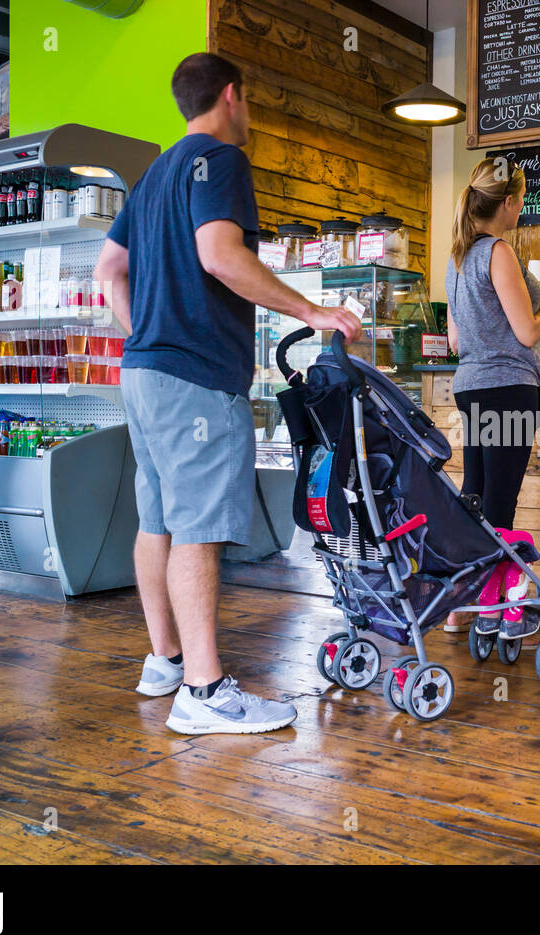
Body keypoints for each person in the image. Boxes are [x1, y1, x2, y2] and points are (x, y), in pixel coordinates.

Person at [93, 52, 359, 736]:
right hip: (194, 377)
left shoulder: (153, 174)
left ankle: (165, 659)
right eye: (252, 103)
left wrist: (148, 330)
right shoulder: (222, 161)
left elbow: (108, 269)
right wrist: (313, 311)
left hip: (144, 372)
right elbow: (220, 254)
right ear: (233, 97)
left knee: (159, 520)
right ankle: (205, 691)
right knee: (201, 527)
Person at [443, 156, 540, 641]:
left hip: (472, 387)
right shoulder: (498, 252)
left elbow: (453, 338)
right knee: (499, 501)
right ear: (508, 203)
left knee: (477, 494)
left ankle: (465, 602)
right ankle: (498, 609)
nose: (522, 209)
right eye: (521, 201)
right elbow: (527, 330)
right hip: (508, 390)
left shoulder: (458, 256)